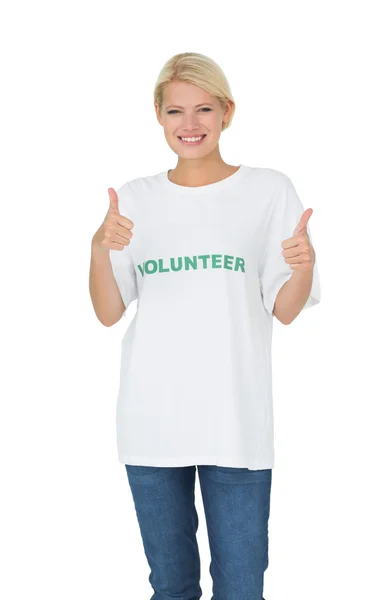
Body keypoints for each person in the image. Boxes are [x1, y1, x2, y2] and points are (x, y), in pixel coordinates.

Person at [89, 52, 321, 600]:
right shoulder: (135, 198)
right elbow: (106, 312)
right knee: (170, 588)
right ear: (158, 115)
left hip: (237, 422)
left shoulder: (268, 191)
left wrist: (304, 266)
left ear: (227, 112)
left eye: (204, 109)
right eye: (175, 111)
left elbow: (285, 310)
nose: (189, 125)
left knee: (241, 589)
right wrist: (99, 249)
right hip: (151, 422)